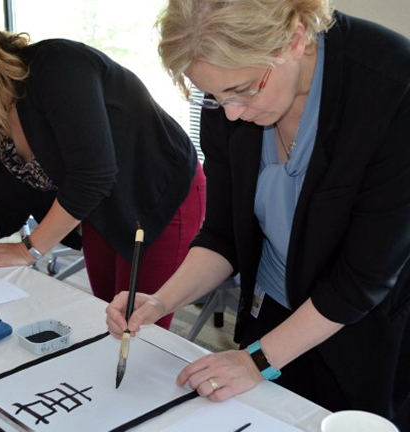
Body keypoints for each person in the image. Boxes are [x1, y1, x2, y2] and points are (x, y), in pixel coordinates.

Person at [106, 0, 410, 428]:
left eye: (244, 89)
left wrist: (257, 361)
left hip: (361, 327)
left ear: (296, 38)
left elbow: (363, 279)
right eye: (213, 96)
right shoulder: (226, 99)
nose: (230, 113)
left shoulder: (393, 85)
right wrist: (160, 300)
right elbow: (223, 235)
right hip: (271, 312)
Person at [0, 13, 206, 329]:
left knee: (137, 325)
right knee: (109, 316)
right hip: (97, 206)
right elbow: (8, 208)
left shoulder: (59, 67)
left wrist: (28, 249)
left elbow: (92, 175)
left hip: (158, 193)